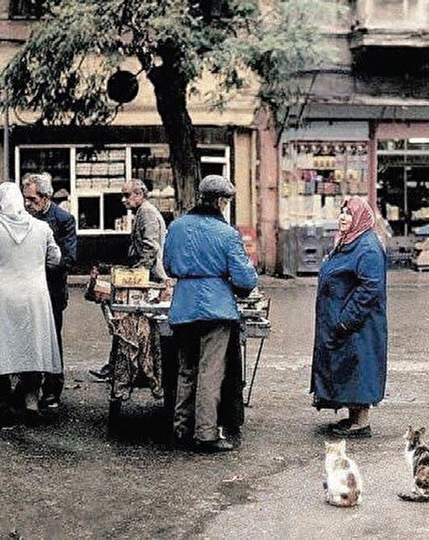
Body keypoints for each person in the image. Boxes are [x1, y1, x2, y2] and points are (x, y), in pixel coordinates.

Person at [164, 175, 258, 453]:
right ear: (220, 201)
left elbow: (168, 266)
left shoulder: (177, 227)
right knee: (210, 372)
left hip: (183, 307)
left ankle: (180, 428)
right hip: (216, 309)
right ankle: (205, 434)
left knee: (186, 370)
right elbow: (245, 278)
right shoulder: (227, 233)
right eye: (226, 202)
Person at [0, 182, 62, 425]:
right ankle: (31, 403)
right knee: (32, 348)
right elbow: (55, 258)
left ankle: (4, 403)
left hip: (0, 299)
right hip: (34, 298)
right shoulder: (41, 227)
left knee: (0, 349)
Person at [311, 196, 388, 439]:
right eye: (342, 212)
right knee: (349, 367)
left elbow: (371, 288)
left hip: (358, 325)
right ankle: (354, 416)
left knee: (360, 367)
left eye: (349, 213)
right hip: (344, 322)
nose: (343, 217)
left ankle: (361, 422)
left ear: (361, 218)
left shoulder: (367, 247)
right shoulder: (349, 241)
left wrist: (346, 319)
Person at [89, 179, 167, 380]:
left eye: (127, 195)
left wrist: (138, 276)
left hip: (150, 278)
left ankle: (124, 369)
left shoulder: (147, 213)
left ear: (140, 194)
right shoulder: (142, 212)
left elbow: (151, 248)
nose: (123, 200)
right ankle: (119, 367)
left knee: (128, 323)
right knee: (126, 322)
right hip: (145, 275)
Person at [22, 173, 77, 410]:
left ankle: (53, 389)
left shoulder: (63, 219)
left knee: (52, 338)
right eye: (25, 199)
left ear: (45, 197)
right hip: (27, 290)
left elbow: (69, 258)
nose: (27, 204)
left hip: (52, 289)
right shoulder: (23, 217)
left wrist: (39, 267)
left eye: (32, 199)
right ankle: (29, 386)